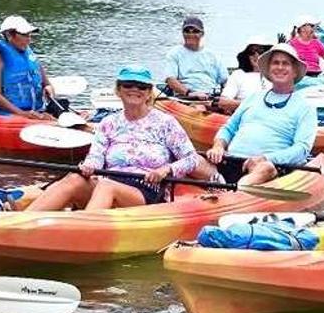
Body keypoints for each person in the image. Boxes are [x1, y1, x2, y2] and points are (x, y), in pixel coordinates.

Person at [28, 67, 200, 210]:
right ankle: (20, 223)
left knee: (106, 186)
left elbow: (191, 158)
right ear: (118, 90)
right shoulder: (108, 123)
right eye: (128, 85)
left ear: (149, 93)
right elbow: (96, 156)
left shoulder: (166, 122)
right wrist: (89, 166)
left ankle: (84, 231)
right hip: (110, 181)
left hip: (148, 190)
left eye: (141, 86)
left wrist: (166, 170)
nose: (134, 89)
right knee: (75, 179)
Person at [201, 43, 324, 186]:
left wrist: (266, 158)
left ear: (294, 71)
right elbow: (228, 129)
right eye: (275, 63)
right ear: (269, 69)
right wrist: (218, 146)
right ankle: (222, 185)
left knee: (265, 168)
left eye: (285, 63)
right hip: (231, 162)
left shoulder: (305, 107)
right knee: (194, 160)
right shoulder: (253, 98)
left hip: (269, 168)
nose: (280, 67)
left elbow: (302, 149)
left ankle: (234, 190)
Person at [0, 15, 58, 119]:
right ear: (9, 35)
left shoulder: (31, 57)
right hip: (7, 115)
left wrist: (49, 89)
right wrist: (22, 114)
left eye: (30, 35)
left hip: (36, 112)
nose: (29, 40)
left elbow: (47, 84)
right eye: (25, 35)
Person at [163, 15, 228, 99]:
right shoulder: (174, 54)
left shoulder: (213, 55)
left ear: (202, 34)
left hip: (210, 96)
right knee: (199, 106)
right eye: (187, 31)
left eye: (195, 31)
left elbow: (225, 80)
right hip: (186, 97)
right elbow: (170, 80)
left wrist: (226, 96)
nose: (191, 34)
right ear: (182, 33)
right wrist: (190, 93)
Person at [214, 34, 274, 114]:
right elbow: (223, 102)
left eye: (260, 51)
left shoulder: (275, 75)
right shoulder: (238, 75)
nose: (256, 55)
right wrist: (252, 105)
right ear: (247, 55)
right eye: (252, 52)